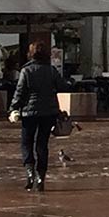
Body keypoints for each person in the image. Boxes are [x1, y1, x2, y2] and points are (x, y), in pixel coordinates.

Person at [9, 41, 65, 192]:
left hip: (29, 112)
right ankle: (41, 177)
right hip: (48, 112)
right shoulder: (51, 70)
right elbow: (62, 86)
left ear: (31, 54)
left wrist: (13, 108)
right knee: (42, 144)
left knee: (26, 142)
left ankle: (30, 172)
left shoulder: (26, 71)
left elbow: (19, 92)